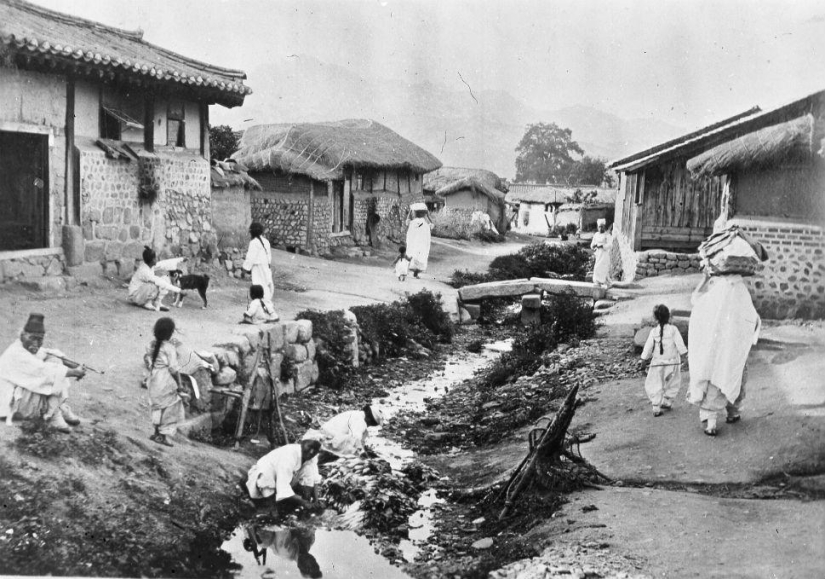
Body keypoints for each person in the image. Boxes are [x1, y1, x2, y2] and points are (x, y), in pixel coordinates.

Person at [687, 272, 760, 436]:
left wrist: (704, 279)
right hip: (734, 348)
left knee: (715, 379)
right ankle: (733, 413)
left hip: (718, 348)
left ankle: (711, 423)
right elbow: (753, 319)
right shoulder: (742, 290)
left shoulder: (717, 289)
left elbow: (696, 301)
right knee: (735, 376)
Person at [0, 313, 86, 432]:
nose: (36, 343)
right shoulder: (16, 353)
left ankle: (57, 407)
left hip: (20, 397)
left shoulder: (24, 345)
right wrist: (73, 372)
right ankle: (52, 415)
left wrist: (68, 362)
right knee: (45, 376)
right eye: (33, 338)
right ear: (22, 335)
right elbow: (42, 371)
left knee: (55, 360)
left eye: (40, 339)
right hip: (10, 404)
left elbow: (46, 352)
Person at [240, 440, 323, 511]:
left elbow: (314, 478)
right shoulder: (289, 456)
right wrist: (302, 502)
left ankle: (305, 501)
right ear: (302, 444)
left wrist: (316, 500)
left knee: (308, 469)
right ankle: (272, 509)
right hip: (266, 473)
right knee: (269, 492)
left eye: (315, 450)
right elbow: (283, 485)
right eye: (309, 447)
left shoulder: (312, 456)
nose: (311, 451)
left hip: (283, 475)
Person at [143, 317, 188, 446]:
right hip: (165, 379)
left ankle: (156, 433)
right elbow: (173, 369)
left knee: (157, 406)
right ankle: (163, 436)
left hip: (153, 379)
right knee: (170, 407)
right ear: (169, 333)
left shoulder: (151, 345)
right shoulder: (169, 348)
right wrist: (179, 384)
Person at [641, 304, 687, 416]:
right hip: (672, 363)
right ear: (669, 316)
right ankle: (667, 400)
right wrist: (685, 357)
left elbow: (648, 347)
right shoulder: (673, 330)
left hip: (657, 363)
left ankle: (656, 406)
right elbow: (680, 345)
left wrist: (643, 361)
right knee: (672, 382)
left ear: (655, 318)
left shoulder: (653, 332)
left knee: (656, 383)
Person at [303, 405, 384, 459]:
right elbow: (356, 438)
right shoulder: (360, 420)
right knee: (352, 444)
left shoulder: (356, 414)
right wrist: (362, 453)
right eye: (372, 424)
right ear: (370, 419)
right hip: (326, 440)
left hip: (324, 435)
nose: (369, 425)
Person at [243, 525, 321, 578]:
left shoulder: (285, 550)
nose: (310, 563)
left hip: (269, 529)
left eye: (307, 568)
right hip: (282, 528)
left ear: (300, 567)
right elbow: (311, 525)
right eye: (314, 566)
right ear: (315, 561)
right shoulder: (310, 540)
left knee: (264, 542)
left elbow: (281, 526)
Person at [128, 246, 185, 312]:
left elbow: (164, 263)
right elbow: (159, 282)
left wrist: (181, 259)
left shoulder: (149, 265)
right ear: (152, 260)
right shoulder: (144, 271)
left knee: (166, 278)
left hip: (141, 293)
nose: (157, 259)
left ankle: (157, 302)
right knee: (153, 285)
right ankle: (147, 303)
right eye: (155, 258)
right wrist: (179, 290)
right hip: (135, 297)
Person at [243, 222, 274, 301]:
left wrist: (245, 269)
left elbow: (250, 258)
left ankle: (259, 306)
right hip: (266, 268)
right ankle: (266, 304)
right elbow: (269, 257)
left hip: (258, 269)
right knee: (266, 287)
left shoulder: (254, 243)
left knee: (258, 288)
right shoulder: (266, 241)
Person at [405, 203, 433, 279]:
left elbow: (407, 220)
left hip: (413, 243)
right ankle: (416, 273)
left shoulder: (412, 222)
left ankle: (404, 270)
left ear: (414, 213)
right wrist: (428, 215)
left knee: (411, 256)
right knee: (420, 259)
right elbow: (432, 223)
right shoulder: (427, 224)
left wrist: (409, 212)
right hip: (422, 245)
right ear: (424, 214)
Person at [590, 218, 612, 288]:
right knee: (597, 268)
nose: (601, 228)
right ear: (597, 227)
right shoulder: (596, 235)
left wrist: (602, 246)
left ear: (604, 227)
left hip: (604, 254)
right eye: (599, 226)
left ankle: (607, 283)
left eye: (602, 226)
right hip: (598, 254)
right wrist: (593, 246)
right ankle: (597, 282)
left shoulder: (607, 235)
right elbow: (592, 244)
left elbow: (610, 245)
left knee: (603, 268)